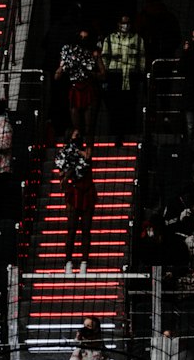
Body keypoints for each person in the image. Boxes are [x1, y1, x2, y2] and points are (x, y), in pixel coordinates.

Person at [101, 14, 146, 148]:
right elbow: (104, 58)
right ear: (118, 24)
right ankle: (116, 134)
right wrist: (105, 76)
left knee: (130, 105)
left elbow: (142, 57)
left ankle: (129, 132)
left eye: (127, 23)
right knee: (115, 107)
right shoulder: (110, 39)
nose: (125, 25)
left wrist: (141, 73)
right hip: (115, 75)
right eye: (122, 23)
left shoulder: (137, 39)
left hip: (131, 76)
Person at [57, 132, 96, 277]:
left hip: (87, 191)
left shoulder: (86, 150)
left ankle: (84, 263)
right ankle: (68, 262)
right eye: (75, 135)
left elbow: (87, 158)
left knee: (86, 229)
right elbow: (61, 173)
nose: (77, 137)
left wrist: (77, 152)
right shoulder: (64, 154)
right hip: (74, 192)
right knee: (71, 229)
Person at [55, 28, 105, 142]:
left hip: (89, 89)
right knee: (76, 127)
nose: (83, 41)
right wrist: (63, 65)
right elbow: (57, 76)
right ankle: (77, 150)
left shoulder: (94, 53)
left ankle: (88, 151)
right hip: (75, 89)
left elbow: (103, 75)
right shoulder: (70, 53)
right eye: (80, 38)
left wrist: (90, 73)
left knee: (89, 127)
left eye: (85, 38)